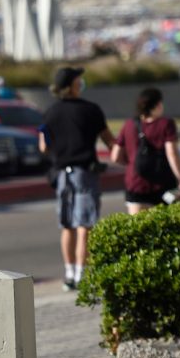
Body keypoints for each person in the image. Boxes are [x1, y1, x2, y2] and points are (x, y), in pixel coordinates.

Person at [38, 66, 115, 292]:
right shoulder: (91, 110)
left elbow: (43, 146)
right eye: (79, 81)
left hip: (61, 174)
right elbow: (110, 140)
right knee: (85, 225)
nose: (81, 84)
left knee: (67, 226)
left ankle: (69, 273)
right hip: (85, 173)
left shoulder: (50, 112)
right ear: (73, 85)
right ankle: (82, 274)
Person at [110, 87, 180, 215]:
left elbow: (115, 156)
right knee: (165, 231)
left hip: (135, 184)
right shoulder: (166, 124)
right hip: (163, 185)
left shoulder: (129, 124)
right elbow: (172, 154)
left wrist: (132, 163)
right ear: (158, 104)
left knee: (138, 230)